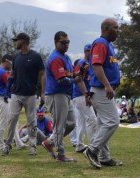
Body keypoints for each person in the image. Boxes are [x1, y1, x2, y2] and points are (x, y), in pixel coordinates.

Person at [83, 18, 122, 168]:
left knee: (103, 123)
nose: (118, 31)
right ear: (106, 29)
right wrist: (107, 85)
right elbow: (97, 66)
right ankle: (92, 150)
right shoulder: (100, 43)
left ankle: (104, 157)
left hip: (104, 90)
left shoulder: (107, 45)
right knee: (112, 121)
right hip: (100, 89)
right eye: (116, 28)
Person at [3, 32, 45, 156]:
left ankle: (33, 146)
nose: (15, 42)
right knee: (12, 119)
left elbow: (43, 74)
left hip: (30, 94)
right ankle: (8, 145)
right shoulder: (16, 57)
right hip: (16, 93)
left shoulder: (36, 56)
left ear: (23, 41)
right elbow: (12, 74)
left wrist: (42, 92)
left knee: (32, 121)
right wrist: (7, 88)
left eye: (17, 40)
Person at [40, 31, 78, 162]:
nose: (66, 45)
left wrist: (80, 71)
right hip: (56, 94)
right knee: (59, 125)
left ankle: (49, 142)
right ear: (56, 42)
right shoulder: (56, 58)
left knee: (72, 123)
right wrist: (75, 80)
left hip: (65, 94)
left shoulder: (65, 57)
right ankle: (61, 154)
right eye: (63, 42)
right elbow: (61, 79)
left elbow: (72, 73)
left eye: (67, 42)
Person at [71, 44, 96, 153]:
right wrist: (86, 95)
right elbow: (79, 79)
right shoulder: (82, 63)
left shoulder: (89, 64)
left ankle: (79, 144)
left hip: (79, 95)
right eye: (88, 51)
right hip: (80, 95)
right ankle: (92, 147)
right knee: (91, 119)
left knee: (82, 121)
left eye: (91, 51)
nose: (89, 53)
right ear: (85, 52)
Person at [0, 54, 13, 152]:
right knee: (2, 122)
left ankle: (15, 141)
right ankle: (1, 145)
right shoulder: (2, 72)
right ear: (6, 61)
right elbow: (10, 84)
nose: (11, 65)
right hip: (3, 98)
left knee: (11, 122)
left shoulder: (0, 70)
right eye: (10, 63)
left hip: (3, 98)